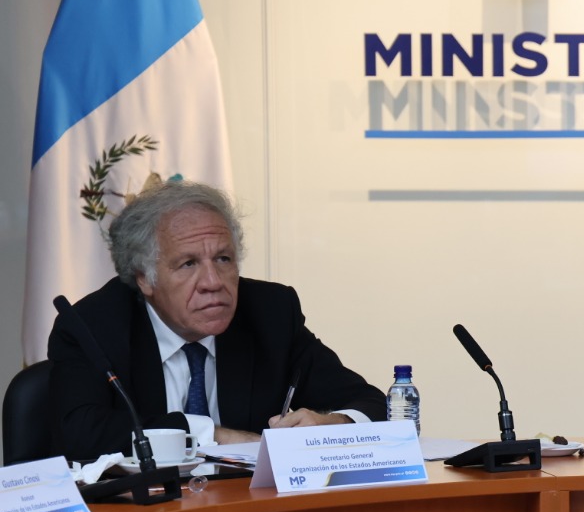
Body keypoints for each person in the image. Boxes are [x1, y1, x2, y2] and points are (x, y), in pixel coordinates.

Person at [48, 182, 385, 462]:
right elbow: (82, 433)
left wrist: (332, 424)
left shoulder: (270, 312)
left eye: (223, 259)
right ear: (144, 280)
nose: (213, 281)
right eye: (188, 264)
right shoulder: (93, 327)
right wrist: (210, 435)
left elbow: (372, 404)